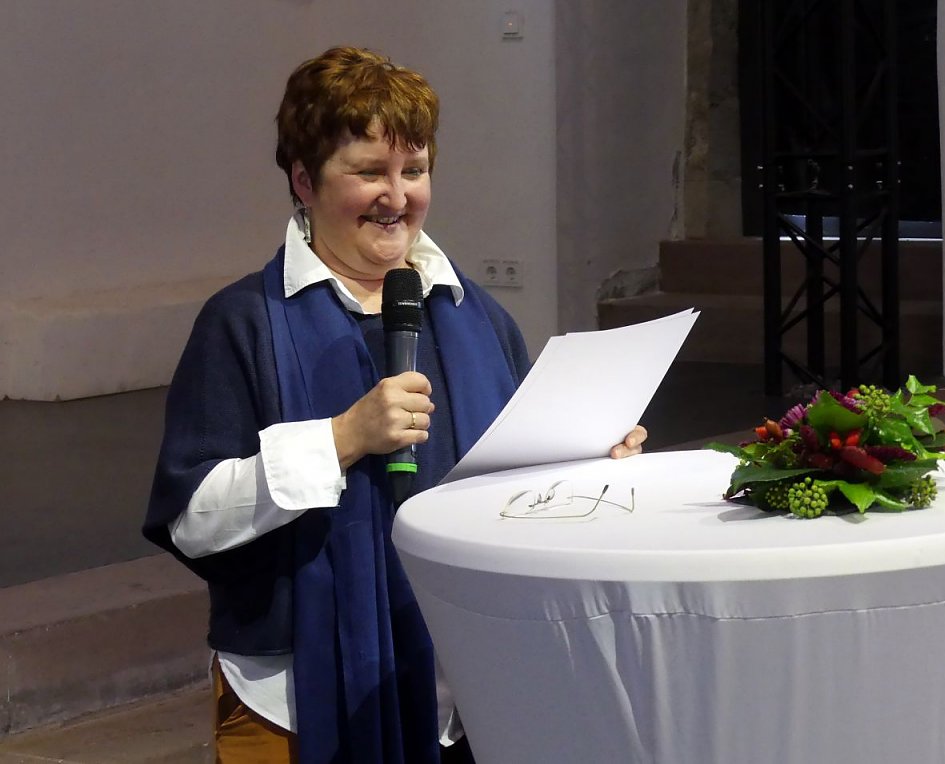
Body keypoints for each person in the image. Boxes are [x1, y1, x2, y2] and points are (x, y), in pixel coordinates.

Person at [144, 46, 647, 764]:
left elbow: (516, 485)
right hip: (297, 701)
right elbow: (192, 521)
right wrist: (341, 438)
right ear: (304, 179)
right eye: (369, 172)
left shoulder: (476, 316)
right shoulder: (245, 323)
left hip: (467, 691)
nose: (397, 196)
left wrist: (591, 457)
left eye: (414, 170)